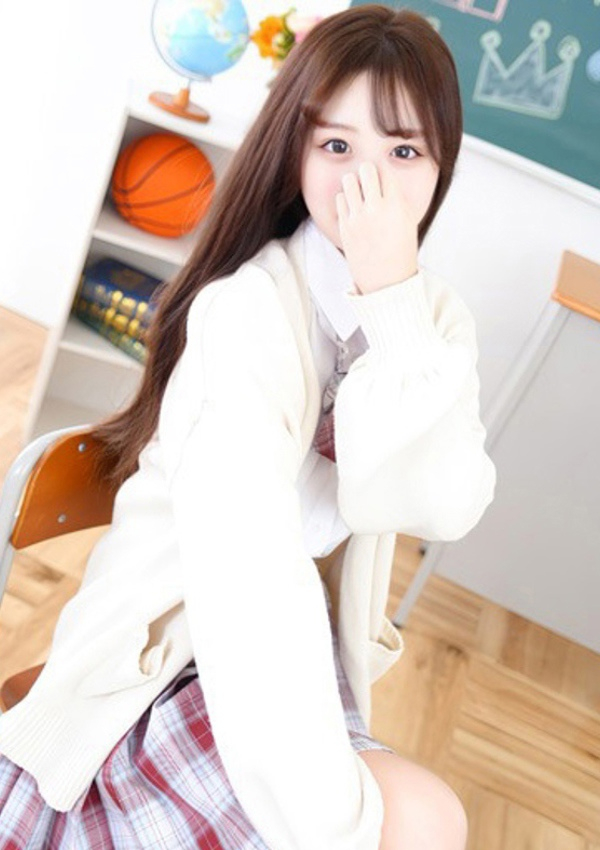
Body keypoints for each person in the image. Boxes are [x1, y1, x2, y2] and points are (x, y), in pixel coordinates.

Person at [0, 5, 496, 848]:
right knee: (419, 822)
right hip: (175, 659)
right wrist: (329, 823)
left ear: (441, 165)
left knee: (427, 820)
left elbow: (438, 505)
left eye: (403, 152)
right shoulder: (245, 312)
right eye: (336, 146)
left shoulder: (433, 320)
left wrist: (393, 305)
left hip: (290, 655)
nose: (368, 187)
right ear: (295, 153)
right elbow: (245, 571)